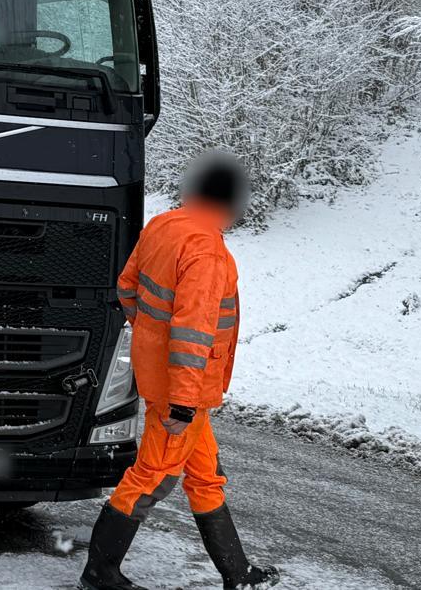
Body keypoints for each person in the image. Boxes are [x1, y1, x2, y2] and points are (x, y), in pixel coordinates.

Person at [79, 151, 281, 590]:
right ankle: (99, 572)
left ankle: (238, 574)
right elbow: (193, 335)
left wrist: (151, 338)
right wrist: (184, 403)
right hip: (182, 392)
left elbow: (127, 288)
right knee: (152, 474)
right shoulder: (207, 251)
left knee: (206, 475)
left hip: (165, 380)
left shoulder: (165, 225)